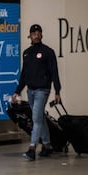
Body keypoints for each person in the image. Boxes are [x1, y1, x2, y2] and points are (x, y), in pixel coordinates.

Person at [12, 24, 61, 161]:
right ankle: (47, 145)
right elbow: (24, 74)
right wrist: (17, 91)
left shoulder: (48, 52)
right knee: (40, 117)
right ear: (30, 36)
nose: (36, 35)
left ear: (42, 35)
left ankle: (32, 148)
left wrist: (57, 90)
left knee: (36, 118)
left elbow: (54, 72)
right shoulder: (27, 53)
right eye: (34, 33)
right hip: (31, 90)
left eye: (39, 32)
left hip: (42, 90)